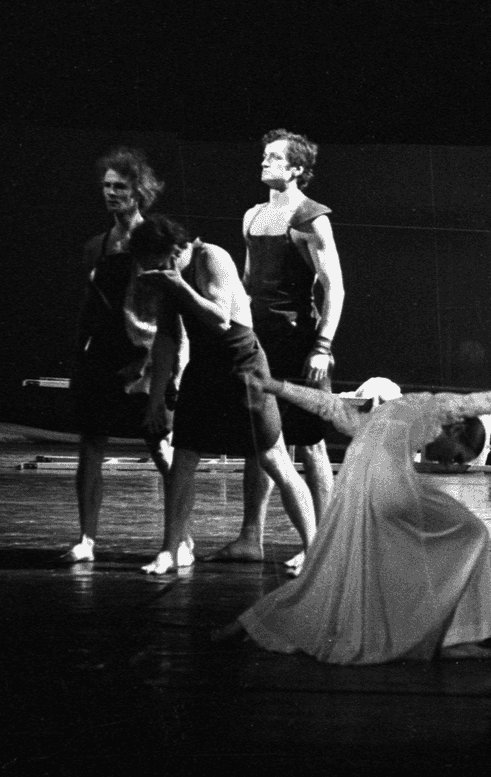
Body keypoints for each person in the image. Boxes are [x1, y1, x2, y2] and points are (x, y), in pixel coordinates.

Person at [226, 368, 491, 664]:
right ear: (457, 429)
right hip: (388, 490)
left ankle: (248, 623)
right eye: (458, 456)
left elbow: (324, 404)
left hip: (358, 494)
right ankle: (459, 638)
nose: (450, 464)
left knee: (343, 569)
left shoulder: (381, 413)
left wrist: (275, 386)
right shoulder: (440, 408)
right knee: (473, 533)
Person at [129, 214, 317, 574]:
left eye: (157, 262)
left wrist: (179, 287)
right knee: (183, 459)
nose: (155, 270)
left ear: (174, 250)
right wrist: (155, 400)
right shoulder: (166, 275)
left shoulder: (210, 257)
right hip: (205, 367)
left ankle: (315, 549)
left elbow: (220, 320)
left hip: (241, 362)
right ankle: (170, 549)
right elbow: (168, 337)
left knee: (274, 459)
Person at [210, 129, 343, 570]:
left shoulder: (311, 217)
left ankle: (321, 544)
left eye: (273, 158)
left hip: (299, 343)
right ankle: (251, 538)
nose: (264, 163)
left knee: (309, 444)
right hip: (260, 341)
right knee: (259, 439)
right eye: (264, 156)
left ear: (297, 170)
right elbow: (247, 287)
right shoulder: (251, 217)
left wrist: (322, 346)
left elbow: (334, 288)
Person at [63, 147, 185, 564]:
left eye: (120, 186)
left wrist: (164, 370)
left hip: (147, 357)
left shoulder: (155, 240)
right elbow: (89, 308)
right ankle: (86, 539)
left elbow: (171, 311)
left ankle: (180, 540)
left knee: (160, 448)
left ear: (139, 191)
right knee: (90, 444)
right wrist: (81, 360)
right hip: (103, 357)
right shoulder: (96, 246)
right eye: (106, 186)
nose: (111, 193)